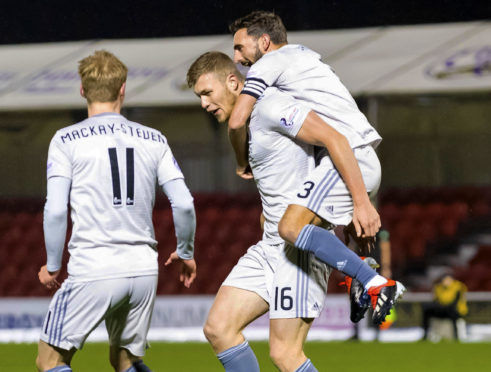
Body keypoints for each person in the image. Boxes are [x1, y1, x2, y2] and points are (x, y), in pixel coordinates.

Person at [228, 10, 404, 325]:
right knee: (289, 222)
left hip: (348, 157)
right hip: (349, 158)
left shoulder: (269, 64)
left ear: (264, 42)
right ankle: (360, 276)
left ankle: (376, 283)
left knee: (289, 227)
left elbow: (237, 118)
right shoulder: (305, 57)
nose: (237, 57)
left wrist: (242, 162)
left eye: (240, 47)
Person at [36, 50, 197, 372]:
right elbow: (184, 203)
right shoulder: (154, 139)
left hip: (94, 266)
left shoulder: (66, 140)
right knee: (126, 360)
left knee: (49, 361)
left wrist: (53, 265)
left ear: (82, 89)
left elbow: (55, 210)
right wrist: (185, 250)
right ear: (123, 88)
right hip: (142, 269)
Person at [188, 51, 335, 372]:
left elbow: (333, 139)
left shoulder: (271, 104)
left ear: (232, 82)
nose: (203, 104)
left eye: (207, 93)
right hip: (269, 245)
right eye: (199, 97)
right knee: (219, 329)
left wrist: (359, 205)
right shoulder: (248, 124)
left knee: (285, 354)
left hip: (299, 247)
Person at [422, 274, 468, 341]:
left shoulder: (458, 287)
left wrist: (443, 307)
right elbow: (436, 301)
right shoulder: (438, 287)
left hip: (456, 310)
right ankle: (425, 335)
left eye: (448, 280)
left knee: (452, 312)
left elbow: (454, 303)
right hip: (443, 310)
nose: (446, 282)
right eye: (445, 280)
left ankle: (456, 336)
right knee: (427, 310)